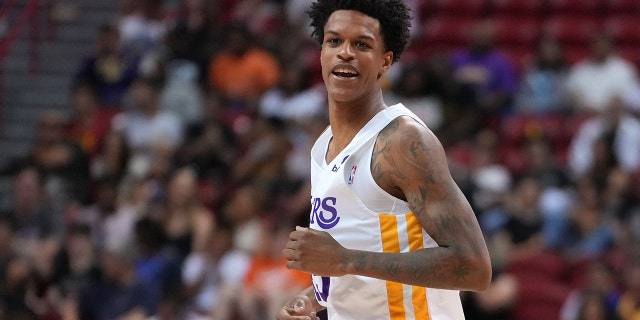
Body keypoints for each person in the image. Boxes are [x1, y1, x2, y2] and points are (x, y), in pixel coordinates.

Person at [278, 1, 491, 320]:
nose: (345, 52)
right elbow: (364, 257)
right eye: (334, 41)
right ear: (321, 52)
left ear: (385, 61)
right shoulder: (324, 145)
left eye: (361, 44)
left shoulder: (402, 141)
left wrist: (344, 260)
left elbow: (473, 267)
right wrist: (315, 298)